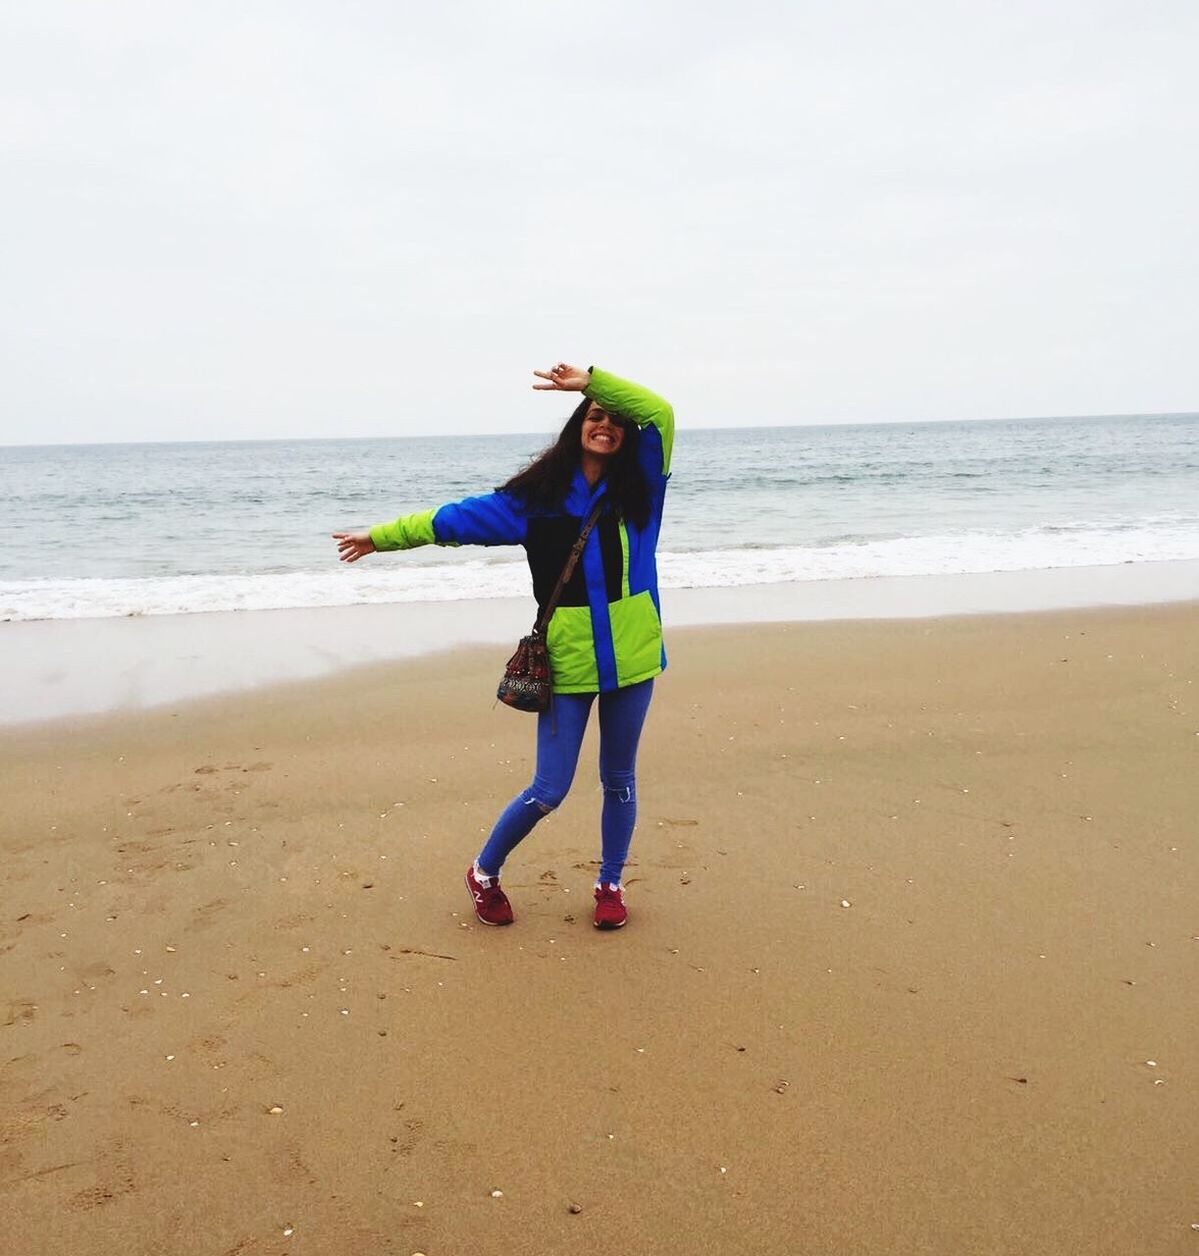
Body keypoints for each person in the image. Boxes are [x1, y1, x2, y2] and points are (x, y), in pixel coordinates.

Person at [333, 362, 674, 931]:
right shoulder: (536, 501)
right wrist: (381, 539)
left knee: (619, 779)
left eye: (615, 420)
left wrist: (593, 382)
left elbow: (658, 412)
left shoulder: (642, 490)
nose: (606, 425)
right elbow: (453, 521)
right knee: (549, 789)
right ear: (577, 428)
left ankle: (610, 884)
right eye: (595, 417)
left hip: (635, 658)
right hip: (567, 662)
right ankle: (484, 872)